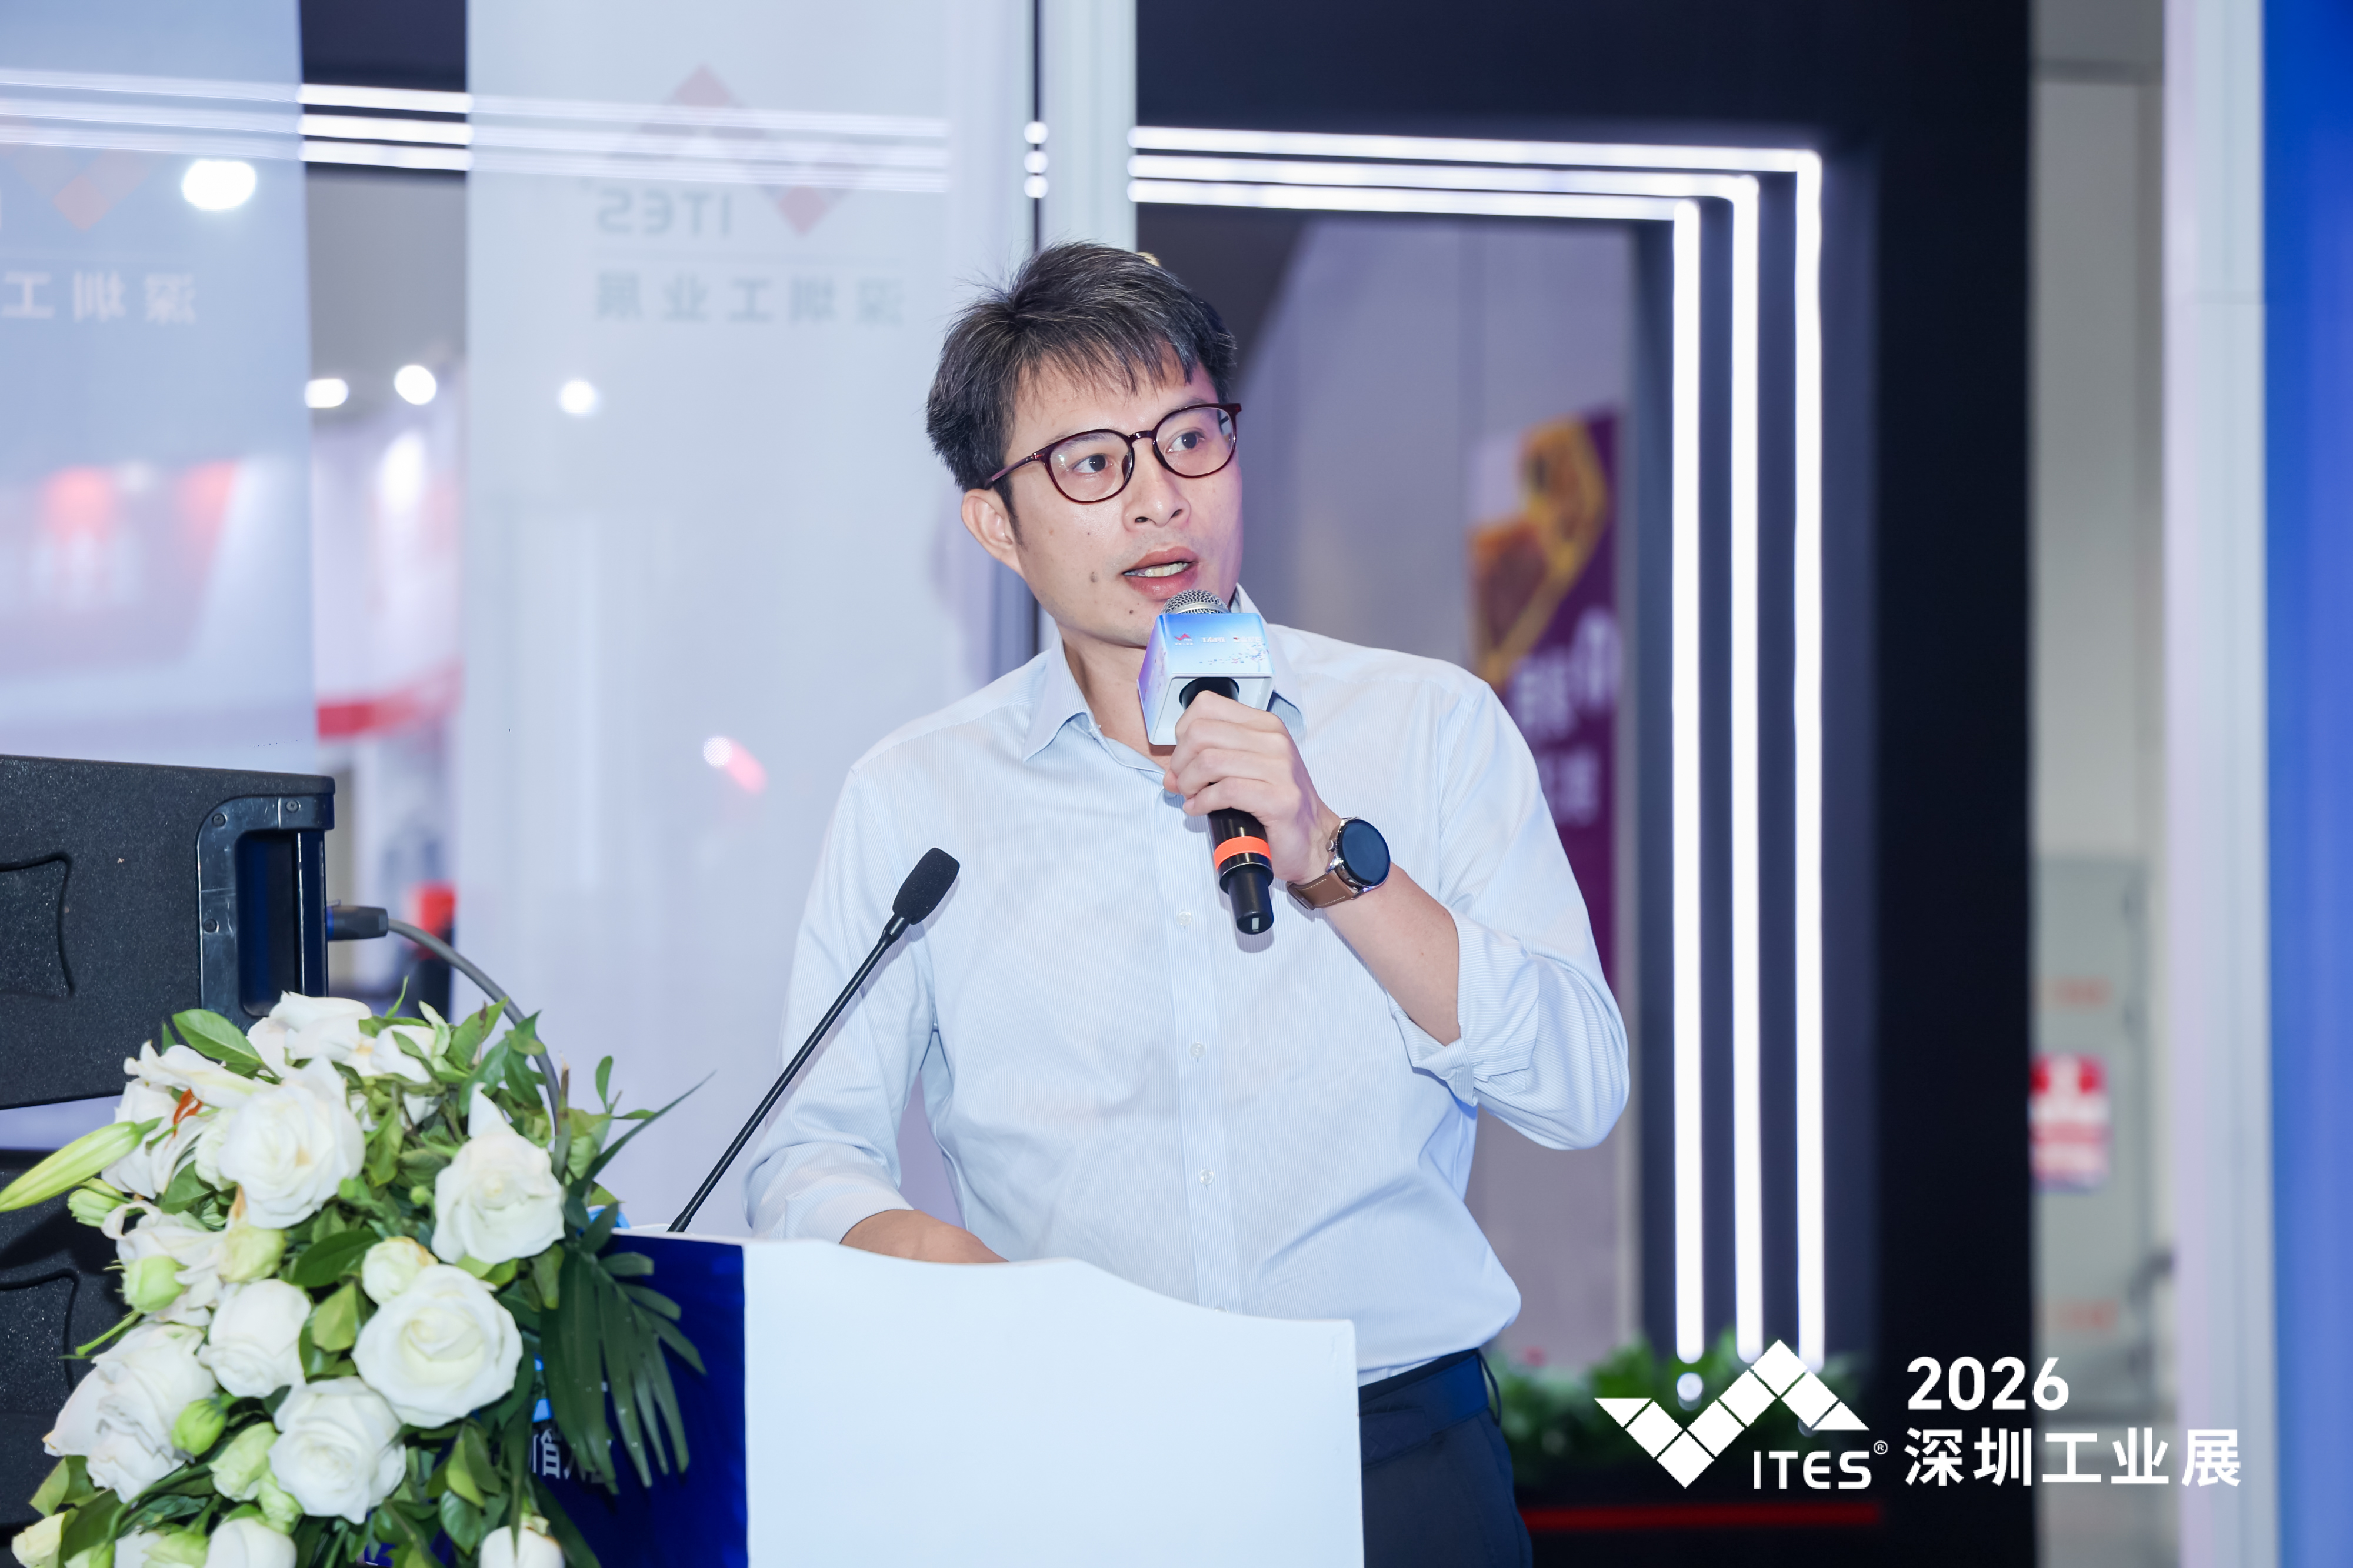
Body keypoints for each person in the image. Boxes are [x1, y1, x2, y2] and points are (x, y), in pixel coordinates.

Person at [744, 242, 1627, 1566]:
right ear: (996, 523)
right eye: (1092, 464)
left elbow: (1577, 1086)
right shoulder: (916, 795)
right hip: (1069, 1460)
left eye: (1190, 439)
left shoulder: (1426, 724)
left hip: (1393, 1462)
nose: (1160, 499)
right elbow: (803, 1154)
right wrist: (926, 1258)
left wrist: (1329, 858)